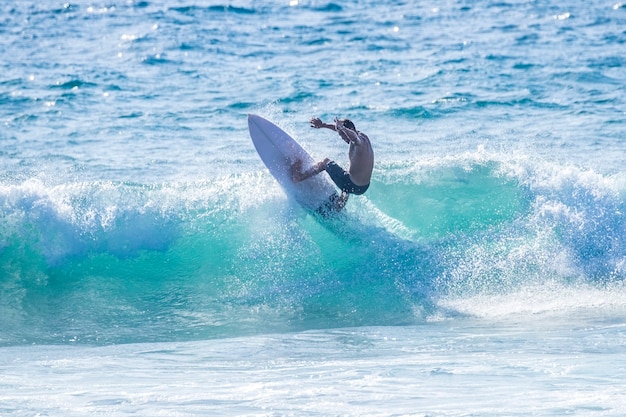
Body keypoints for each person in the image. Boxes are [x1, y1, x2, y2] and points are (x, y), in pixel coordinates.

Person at [292, 117, 374, 210]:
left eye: (343, 135)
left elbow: (353, 137)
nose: (342, 138)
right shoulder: (363, 136)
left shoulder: (358, 142)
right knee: (347, 170)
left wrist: (342, 128)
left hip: (351, 184)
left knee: (325, 162)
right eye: (340, 135)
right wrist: (323, 125)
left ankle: (299, 177)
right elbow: (348, 133)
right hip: (363, 187)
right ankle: (339, 205)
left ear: (349, 130)